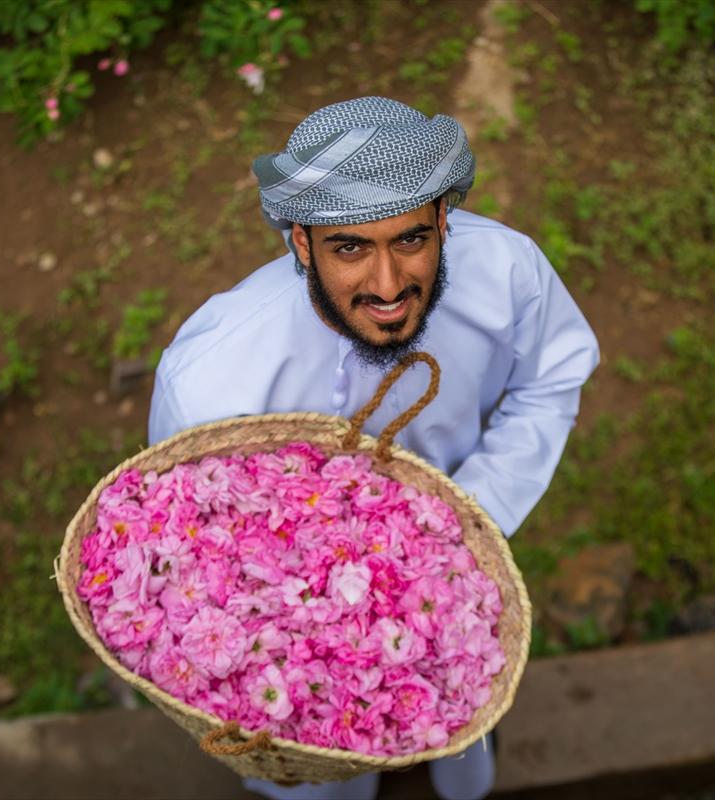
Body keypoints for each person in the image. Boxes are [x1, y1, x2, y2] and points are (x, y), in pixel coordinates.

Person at [148, 96, 600, 800]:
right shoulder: (214, 375)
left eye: (411, 241)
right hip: (286, 625)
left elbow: (551, 379)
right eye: (350, 248)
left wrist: (469, 520)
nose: (388, 287)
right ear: (300, 243)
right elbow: (188, 538)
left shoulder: (508, 275)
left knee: (456, 736)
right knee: (318, 778)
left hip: (448, 578)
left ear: (445, 220)